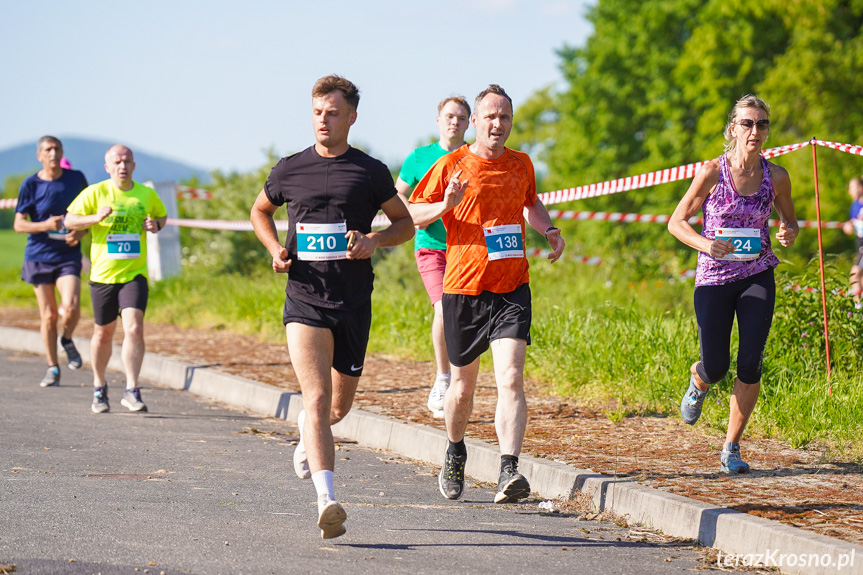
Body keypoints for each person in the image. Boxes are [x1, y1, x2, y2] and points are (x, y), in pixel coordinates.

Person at [250, 75, 414, 539]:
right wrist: (273, 248)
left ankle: (308, 430)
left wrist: (375, 240)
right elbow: (259, 211)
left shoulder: (369, 171)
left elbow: (404, 225)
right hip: (304, 299)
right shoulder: (290, 169)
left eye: (334, 112)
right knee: (317, 398)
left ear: (352, 117)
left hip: (354, 301)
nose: (324, 120)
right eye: (318, 112)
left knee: (336, 408)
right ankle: (327, 500)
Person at [409, 84, 565, 504]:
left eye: (505, 117)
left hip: (512, 285)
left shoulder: (522, 164)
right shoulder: (451, 164)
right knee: (462, 388)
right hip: (463, 287)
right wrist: (445, 204)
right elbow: (412, 211)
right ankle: (456, 450)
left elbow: (531, 204)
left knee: (511, 377)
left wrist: (548, 229)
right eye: (490, 117)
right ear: (475, 121)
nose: (498, 124)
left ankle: (508, 469)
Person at [668, 95, 798, 474]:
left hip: (757, 273)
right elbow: (676, 222)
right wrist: (707, 244)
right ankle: (700, 378)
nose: (754, 130)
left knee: (751, 362)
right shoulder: (712, 172)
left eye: (761, 124)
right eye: (747, 123)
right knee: (718, 365)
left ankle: (731, 447)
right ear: (733, 129)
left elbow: (790, 220)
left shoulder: (777, 176)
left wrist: (789, 231)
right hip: (714, 278)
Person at [64, 145, 167, 415]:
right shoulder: (95, 192)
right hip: (103, 277)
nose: (123, 166)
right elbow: (69, 219)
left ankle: (132, 389)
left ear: (134, 166)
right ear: (108, 167)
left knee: (133, 328)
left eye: (127, 161)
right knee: (103, 333)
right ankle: (99, 386)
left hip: (134, 275)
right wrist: (94, 218)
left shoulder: (145, 193)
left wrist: (155, 225)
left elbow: (161, 215)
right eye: (117, 162)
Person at [396, 96, 471, 418]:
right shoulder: (420, 157)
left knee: (463, 313)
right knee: (444, 307)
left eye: (462, 118)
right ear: (438, 120)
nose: (455, 122)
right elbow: (398, 193)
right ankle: (444, 378)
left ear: (470, 124)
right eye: (450, 116)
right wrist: (407, 214)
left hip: (467, 246)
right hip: (431, 244)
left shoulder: (475, 157)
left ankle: (461, 381)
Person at [14, 136, 88, 387]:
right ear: (40, 156)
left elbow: (89, 217)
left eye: (57, 148)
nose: (53, 153)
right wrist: (44, 225)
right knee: (48, 317)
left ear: (62, 152)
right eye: (48, 149)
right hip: (39, 256)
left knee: (71, 307)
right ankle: (52, 367)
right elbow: (18, 224)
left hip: (67, 256)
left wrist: (80, 232)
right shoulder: (30, 184)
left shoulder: (76, 179)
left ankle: (67, 339)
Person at [842, 176, 863, 308]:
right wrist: (848, 225)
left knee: (854, 275)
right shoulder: (854, 205)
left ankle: (858, 306)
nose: (850, 191)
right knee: (860, 278)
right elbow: (853, 221)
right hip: (859, 244)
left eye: (852, 188)